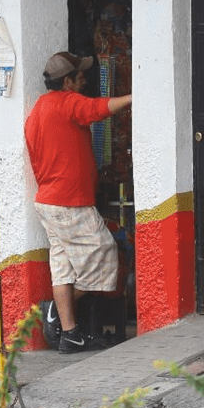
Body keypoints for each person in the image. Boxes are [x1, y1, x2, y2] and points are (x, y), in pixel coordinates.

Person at [25, 51, 133, 354]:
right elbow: (98, 108)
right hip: (69, 202)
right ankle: (56, 313)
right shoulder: (67, 102)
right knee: (104, 252)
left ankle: (70, 334)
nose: (84, 80)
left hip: (48, 201)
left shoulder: (37, 110)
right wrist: (133, 97)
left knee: (63, 268)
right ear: (68, 81)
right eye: (80, 75)